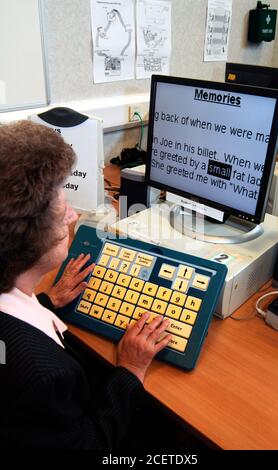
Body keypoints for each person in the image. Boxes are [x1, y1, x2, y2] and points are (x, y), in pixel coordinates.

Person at [0, 120, 172, 450]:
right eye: (62, 209)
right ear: (28, 237)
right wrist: (130, 370)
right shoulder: (41, 376)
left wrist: (46, 301)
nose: (73, 217)